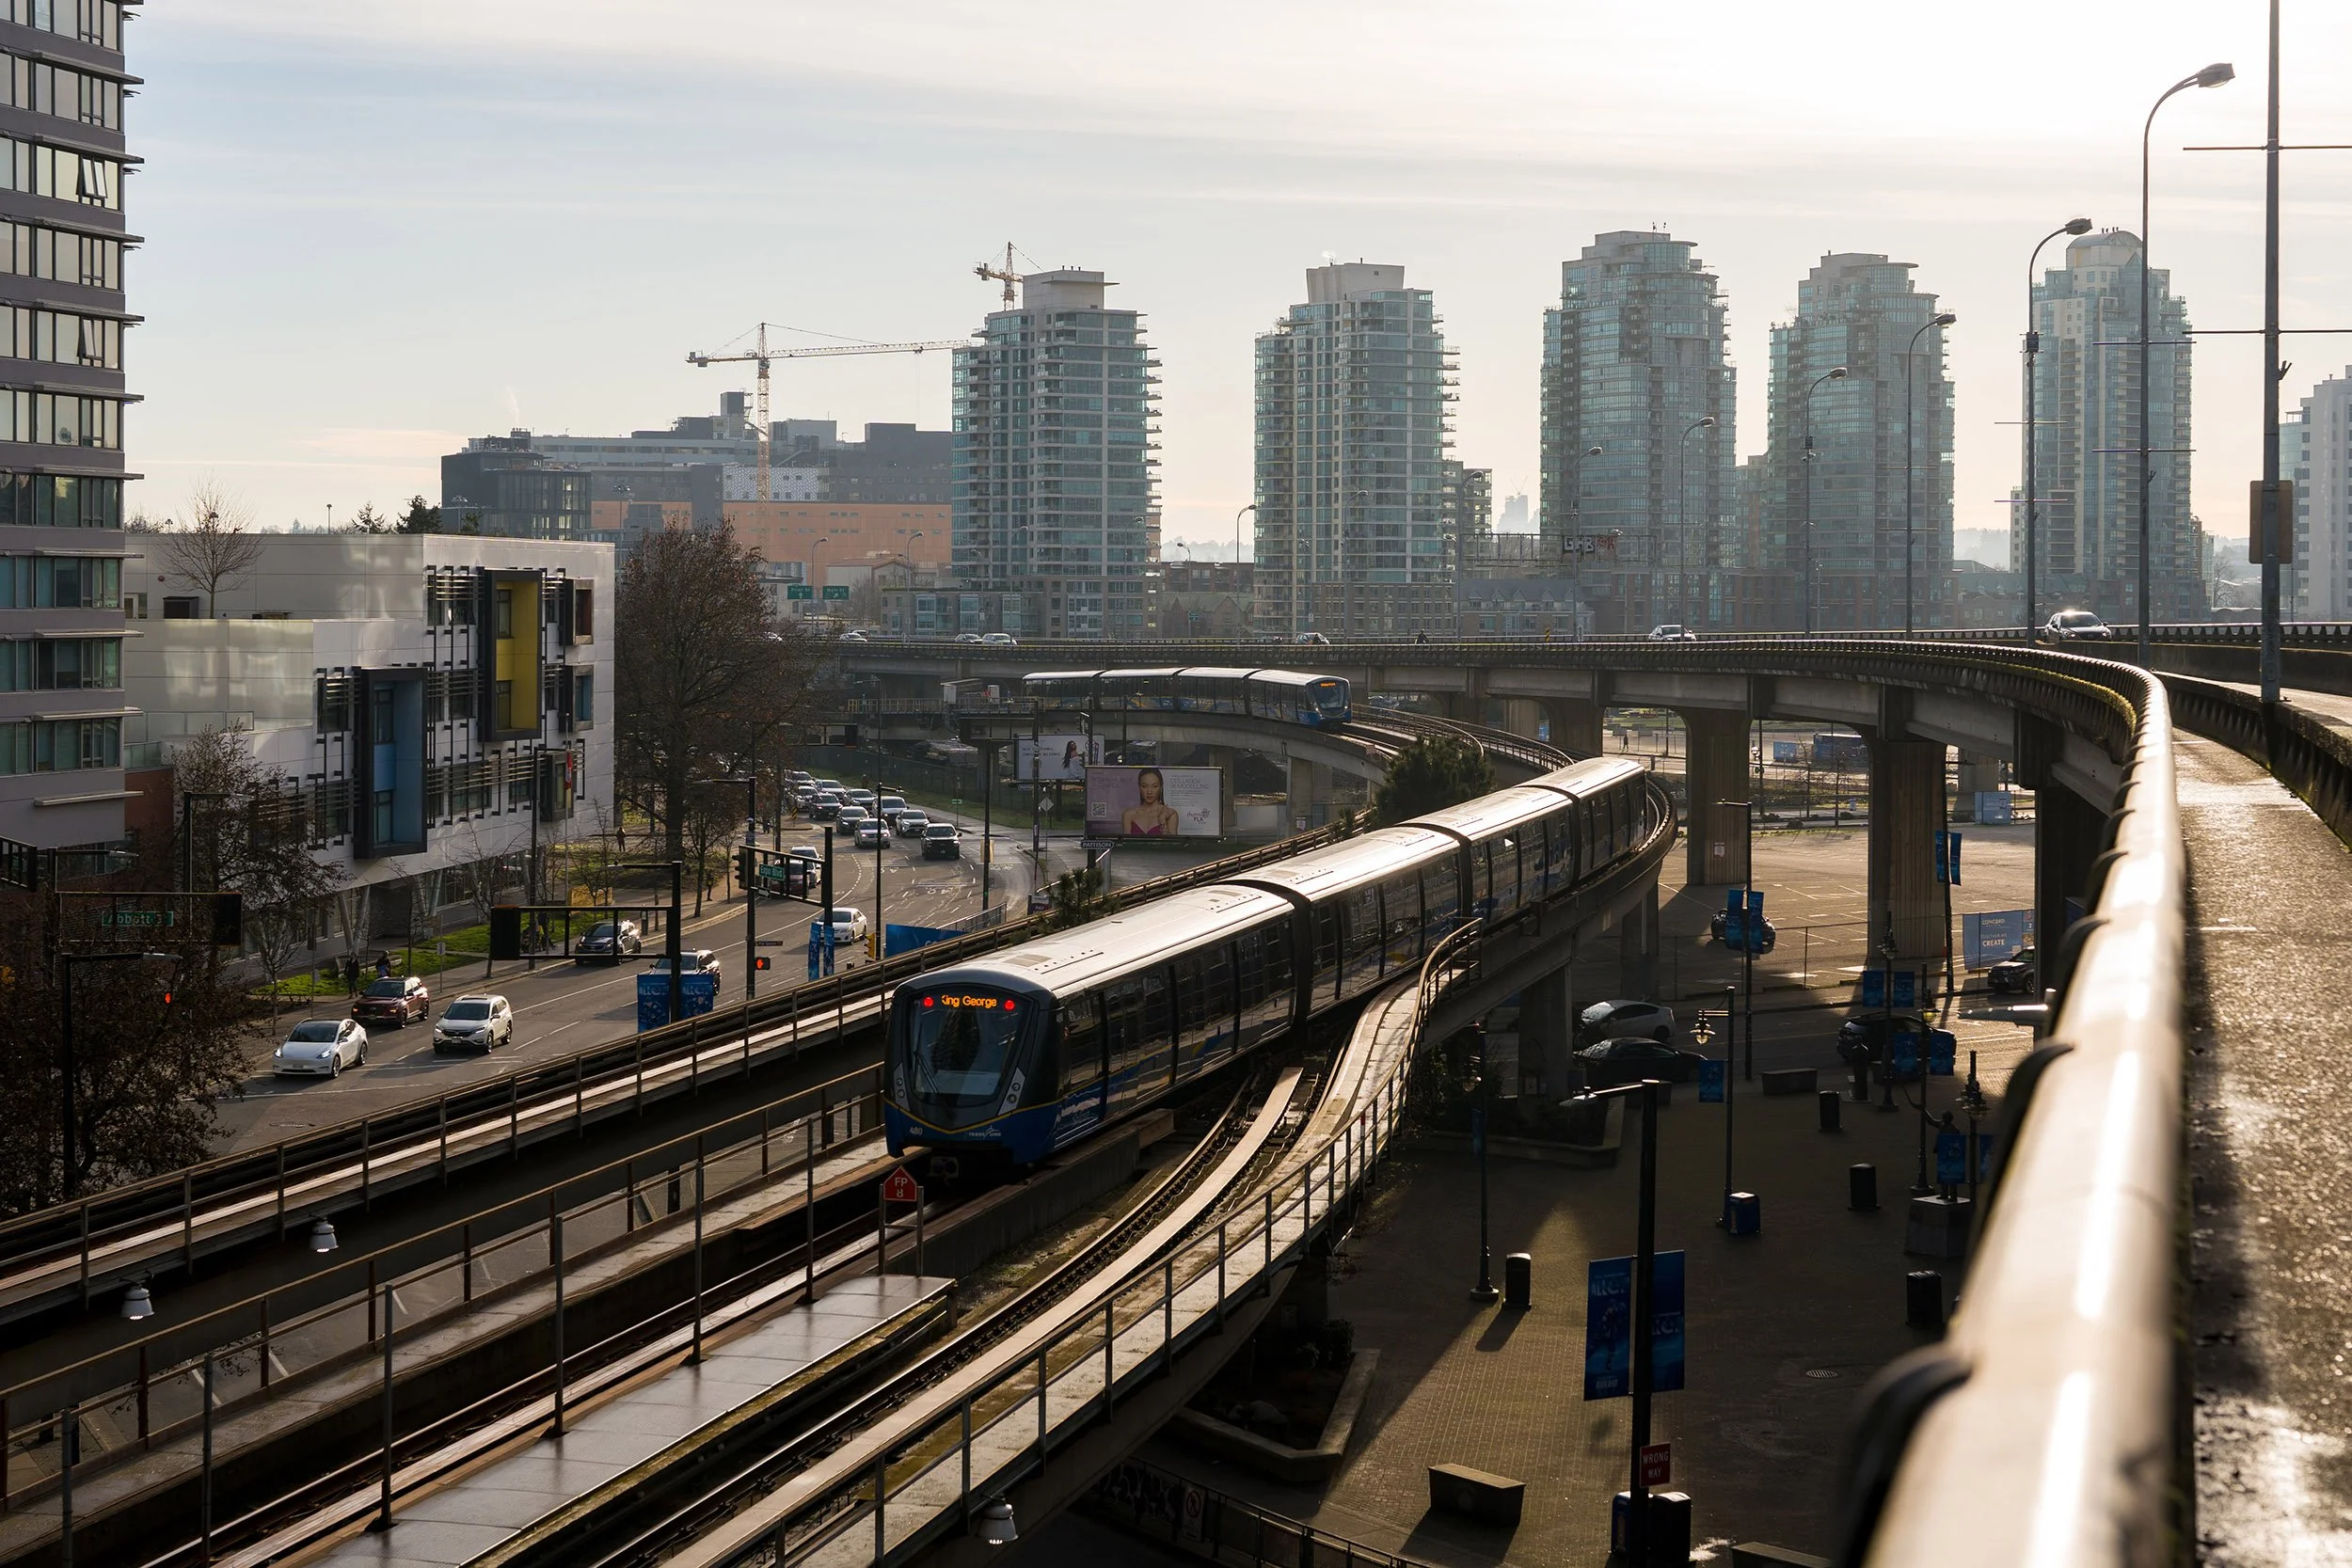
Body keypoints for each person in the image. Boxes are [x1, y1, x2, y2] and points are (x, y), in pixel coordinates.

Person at [1120, 768, 1181, 837]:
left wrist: (1163, 820)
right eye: (1144, 786)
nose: (1149, 792)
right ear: (1139, 788)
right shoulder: (1128, 814)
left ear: (1161, 788)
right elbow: (1126, 845)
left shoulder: (1170, 814)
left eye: (1154, 786)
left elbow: (1172, 846)